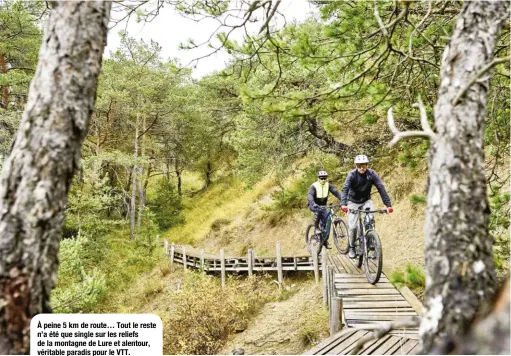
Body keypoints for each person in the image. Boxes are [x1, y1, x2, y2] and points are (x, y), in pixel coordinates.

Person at [340, 155, 393, 258]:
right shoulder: (352, 175)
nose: (362, 168)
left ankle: (372, 244)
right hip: (353, 201)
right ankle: (352, 247)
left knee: (369, 220)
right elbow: (345, 189)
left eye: (364, 165)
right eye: (359, 165)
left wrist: (388, 205)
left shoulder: (372, 174)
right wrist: (343, 204)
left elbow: (380, 187)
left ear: (367, 165)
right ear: (356, 166)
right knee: (353, 226)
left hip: (366, 201)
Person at [307, 170, 343, 249]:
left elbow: (336, 192)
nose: (323, 180)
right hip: (313, 205)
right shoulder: (314, 186)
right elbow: (310, 196)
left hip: (323, 205)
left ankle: (324, 240)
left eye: (324, 178)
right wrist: (313, 203)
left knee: (326, 221)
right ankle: (316, 228)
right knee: (318, 212)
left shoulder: (328, 185)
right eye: (321, 178)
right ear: (318, 178)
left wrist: (343, 200)